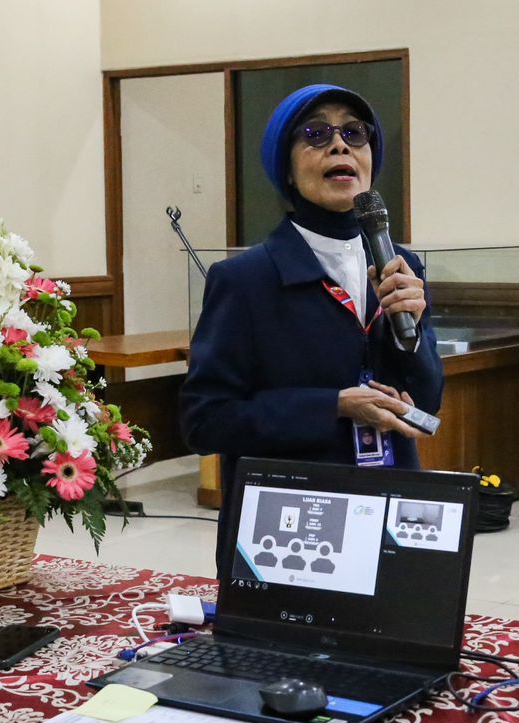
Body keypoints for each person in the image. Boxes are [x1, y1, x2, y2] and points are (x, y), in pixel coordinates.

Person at [180, 84, 444, 578]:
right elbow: (206, 421)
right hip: (290, 529)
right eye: (317, 133)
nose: (340, 144)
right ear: (285, 167)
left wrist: (407, 330)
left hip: (391, 508)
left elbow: (426, 402)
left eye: (355, 133)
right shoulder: (245, 280)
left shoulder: (402, 267)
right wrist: (334, 405)